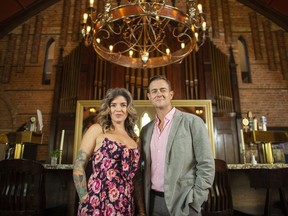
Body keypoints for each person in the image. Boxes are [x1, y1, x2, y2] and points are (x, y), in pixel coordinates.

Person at [138, 75, 215, 216]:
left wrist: (195, 201)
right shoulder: (146, 130)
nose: (159, 94)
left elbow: (206, 164)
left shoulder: (192, 122)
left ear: (171, 94)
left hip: (183, 202)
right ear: (149, 96)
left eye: (163, 90)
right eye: (154, 91)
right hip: (152, 202)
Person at [73, 88, 140, 216]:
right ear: (108, 109)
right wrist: (83, 197)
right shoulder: (97, 130)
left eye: (123, 105)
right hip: (98, 200)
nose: (118, 109)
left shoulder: (134, 139)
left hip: (125, 203)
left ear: (128, 109)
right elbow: (78, 165)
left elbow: (136, 178)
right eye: (113, 105)